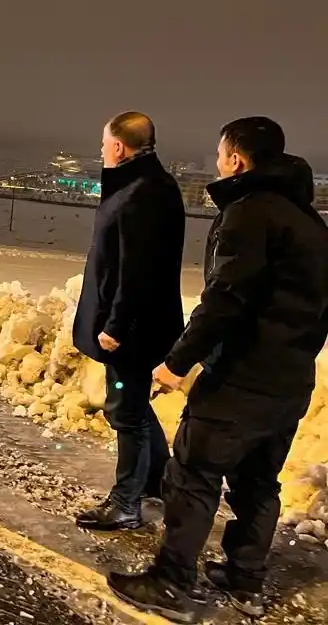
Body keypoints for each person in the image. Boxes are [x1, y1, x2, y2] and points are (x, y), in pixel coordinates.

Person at [109, 117, 328, 623]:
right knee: (259, 480)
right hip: (291, 380)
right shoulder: (311, 223)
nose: (217, 162)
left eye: (220, 153)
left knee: (193, 473)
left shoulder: (249, 215)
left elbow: (225, 299)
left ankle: (170, 581)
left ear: (237, 159)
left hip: (240, 378)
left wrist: (177, 362)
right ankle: (245, 576)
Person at [73, 111, 186, 531]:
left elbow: (136, 270)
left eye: (104, 143)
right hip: (141, 324)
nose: (101, 149)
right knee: (134, 406)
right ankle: (158, 481)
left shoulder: (142, 194)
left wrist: (115, 327)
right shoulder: (150, 187)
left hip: (132, 330)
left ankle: (125, 503)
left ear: (119, 147)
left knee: (127, 411)